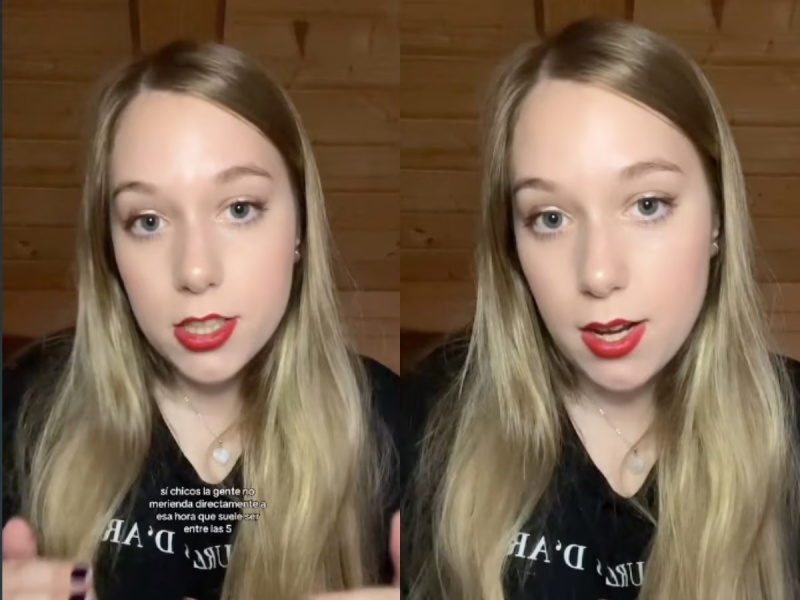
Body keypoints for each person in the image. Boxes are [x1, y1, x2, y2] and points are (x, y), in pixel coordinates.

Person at [402, 17, 800, 600]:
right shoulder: (426, 417)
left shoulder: (790, 428)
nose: (598, 274)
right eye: (550, 218)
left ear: (717, 218)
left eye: (647, 205)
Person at [2, 40, 401, 600]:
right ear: (109, 250)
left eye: (239, 209)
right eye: (147, 220)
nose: (194, 270)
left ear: (301, 228)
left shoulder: (392, 423)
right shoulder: (23, 412)